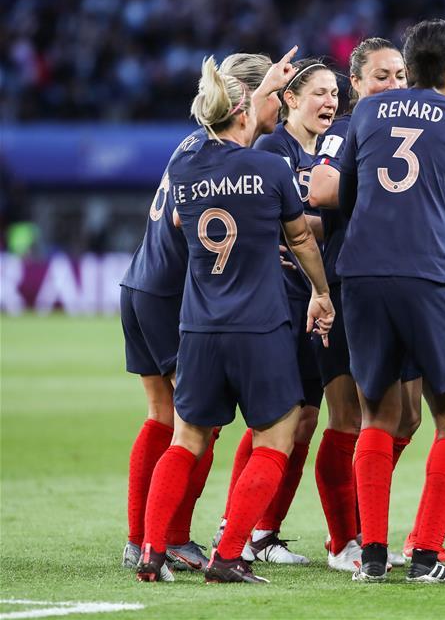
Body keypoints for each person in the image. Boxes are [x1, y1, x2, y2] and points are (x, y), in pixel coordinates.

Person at [135, 55, 334, 584]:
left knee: (186, 440)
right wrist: (321, 292)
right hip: (259, 326)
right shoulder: (270, 168)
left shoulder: (185, 166)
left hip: (199, 326)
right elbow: (300, 238)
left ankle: (151, 552)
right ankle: (227, 556)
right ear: (245, 113)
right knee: (276, 437)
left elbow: (177, 219)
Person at [119, 50, 287, 574]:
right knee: (195, 427)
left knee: (164, 417)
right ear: (249, 101)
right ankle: (168, 538)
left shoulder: (195, 145)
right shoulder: (223, 153)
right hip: (173, 296)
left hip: (142, 282)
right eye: (276, 97)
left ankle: (142, 541)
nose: (281, 108)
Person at [337, 19, 445, 583]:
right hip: (429, 271)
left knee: (376, 414)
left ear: (409, 63)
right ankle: (425, 555)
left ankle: (372, 557)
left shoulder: (367, 113)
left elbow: (347, 195)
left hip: (363, 272)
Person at [305, 37, 430, 570]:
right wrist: (382, 185)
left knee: (409, 417)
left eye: (400, 75)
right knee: (348, 418)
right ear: (355, 84)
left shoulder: (415, 130)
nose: (394, 85)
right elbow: (320, 189)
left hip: (404, 281)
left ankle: (364, 517)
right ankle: (346, 540)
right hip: (347, 285)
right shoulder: (347, 128)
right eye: (381, 76)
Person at [211, 58, 338, 566]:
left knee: (304, 419)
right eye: (319, 93)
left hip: (320, 296)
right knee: (274, 419)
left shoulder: (334, 148)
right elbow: (287, 223)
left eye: (335, 93)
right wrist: (345, 216)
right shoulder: (271, 149)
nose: (330, 101)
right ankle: (237, 526)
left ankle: (264, 532)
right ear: (290, 99)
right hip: (281, 298)